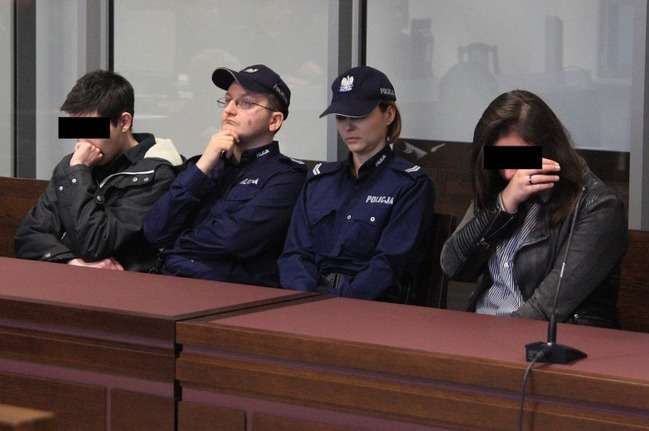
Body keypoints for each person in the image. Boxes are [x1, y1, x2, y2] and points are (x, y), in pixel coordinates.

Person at [440, 89, 627, 327]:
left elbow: (546, 308)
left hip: (545, 338)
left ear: (550, 150)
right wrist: (503, 205)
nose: (508, 173)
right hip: (484, 326)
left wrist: (488, 337)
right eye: (500, 160)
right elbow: (452, 266)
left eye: (517, 158)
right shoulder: (502, 188)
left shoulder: (597, 206)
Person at [278, 66, 434, 302]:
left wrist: (334, 304)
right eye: (341, 117)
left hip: (369, 308)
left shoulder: (410, 184)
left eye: (359, 116)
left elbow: (388, 266)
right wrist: (304, 299)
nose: (348, 126)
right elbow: (294, 254)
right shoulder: (319, 180)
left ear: (389, 114)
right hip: (306, 301)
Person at [143, 64, 306, 287]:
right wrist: (203, 166)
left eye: (245, 103)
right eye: (227, 100)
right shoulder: (205, 165)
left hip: (228, 291)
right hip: (170, 280)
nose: (229, 110)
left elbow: (233, 240)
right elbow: (154, 230)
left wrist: (175, 243)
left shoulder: (286, 176)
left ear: (274, 121)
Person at [15, 70, 183, 271]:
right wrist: (71, 262)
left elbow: (95, 244)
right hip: (66, 276)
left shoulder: (156, 172)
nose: (82, 142)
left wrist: (78, 173)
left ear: (124, 122)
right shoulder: (73, 166)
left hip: (123, 284)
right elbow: (27, 236)